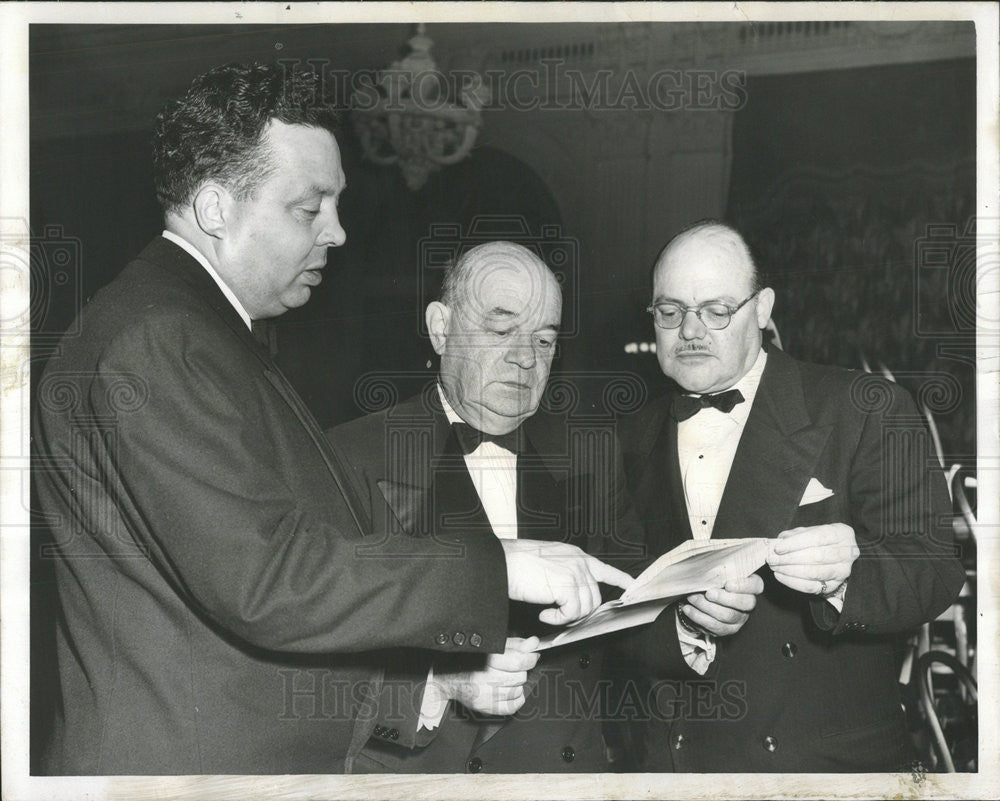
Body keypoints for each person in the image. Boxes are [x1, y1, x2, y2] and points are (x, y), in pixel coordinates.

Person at [32, 63, 627, 775]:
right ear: (218, 208)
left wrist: (430, 684)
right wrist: (500, 566)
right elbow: (270, 581)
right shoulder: (159, 337)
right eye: (310, 209)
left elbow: (246, 618)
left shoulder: (200, 332)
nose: (339, 233)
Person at [612, 220, 966, 772]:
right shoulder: (627, 436)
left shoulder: (866, 405)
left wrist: (843, 576)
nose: (690, 330)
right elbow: (612, 595)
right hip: (676, 766)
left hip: (820, 766)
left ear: (762, 308)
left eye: (716, 310)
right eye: (670, 311)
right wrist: (681, 627)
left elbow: (933, 570)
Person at [326, 241, 644, 772]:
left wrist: (695, 619)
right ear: (440, 328)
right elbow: (304, 661)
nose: (525, 357)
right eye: (501, 331)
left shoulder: (592, 451)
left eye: (544, 340)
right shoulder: (348, 456)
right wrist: (439, 683)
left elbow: (633, 612)